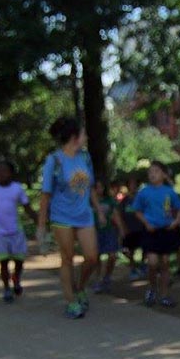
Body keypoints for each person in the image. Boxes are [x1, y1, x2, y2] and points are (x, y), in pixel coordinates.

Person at [37, 116, 106, 319]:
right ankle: (70, 301)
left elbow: (91, 187)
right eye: (83, 133)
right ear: (74, 137)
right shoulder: (54, 160)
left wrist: (99, 211)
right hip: (62, 216)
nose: (86, 137)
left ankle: (80, 286)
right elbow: (45, 195)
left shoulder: (85, 158)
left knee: (92, 257)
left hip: (84, 215)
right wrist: (42, 226)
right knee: (67, 258)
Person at [0, 159, 38, 303]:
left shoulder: (17, 188)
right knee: (3, 262)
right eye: (0, 171)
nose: (2, 174)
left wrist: (38, 220)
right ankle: (7, 288)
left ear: (11, 174)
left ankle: (16, 279)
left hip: (16, 230)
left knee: (19, 261)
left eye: (6, 171)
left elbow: (27, 206)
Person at [132, 160, 180, 308]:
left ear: (163, 174)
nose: (152, 174)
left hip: (165, 231)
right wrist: (146, 223)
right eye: (150, 172)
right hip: (150, 231)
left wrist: (176, 222)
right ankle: (152, 288)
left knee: (166, 263)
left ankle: (165, 294)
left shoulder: (169, 192)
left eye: (155, 171)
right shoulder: (144, 192)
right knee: (153, 263)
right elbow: (137, 210)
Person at [91, 179, 125, 294]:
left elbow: (116, 215)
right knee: (96, 257)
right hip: (95, 231)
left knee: (112, 255)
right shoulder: (89, 202)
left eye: (101, 187)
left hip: (109, 230)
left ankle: (107, 276)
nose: (99, 190)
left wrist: (121, 230)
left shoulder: (109, 200)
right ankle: (98, 279)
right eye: (97, 187)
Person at [118, 175, 146, 281]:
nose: (133, 187)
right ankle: (133, 268)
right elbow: (120, 214)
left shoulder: (141, 199)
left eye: (134, 184)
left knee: (146, 247)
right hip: (129, 228)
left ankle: (143, 264)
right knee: (128, 250)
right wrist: (123, 228)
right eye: (130, 184)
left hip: (141, 227)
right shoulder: (125, 201)